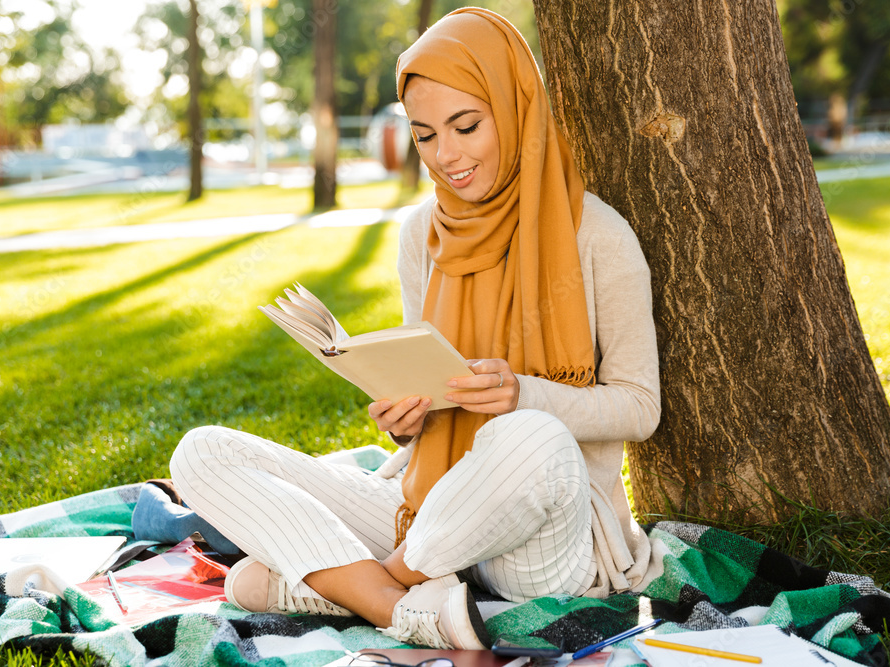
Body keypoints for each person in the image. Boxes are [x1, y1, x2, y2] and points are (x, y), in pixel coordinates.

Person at [169, 7, 660, 650]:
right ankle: (402, 607)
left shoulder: (598, 236)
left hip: (539, 541)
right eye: (426, 135)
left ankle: (360, 588)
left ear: (515, 111)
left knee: (529, 434)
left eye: (466, 125)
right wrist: (407, 415)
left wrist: (525, 394)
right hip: (424, 507)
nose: (446, 155)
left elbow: (640, 407)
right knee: (202, 452)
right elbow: (427, 374)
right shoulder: (419, 234)